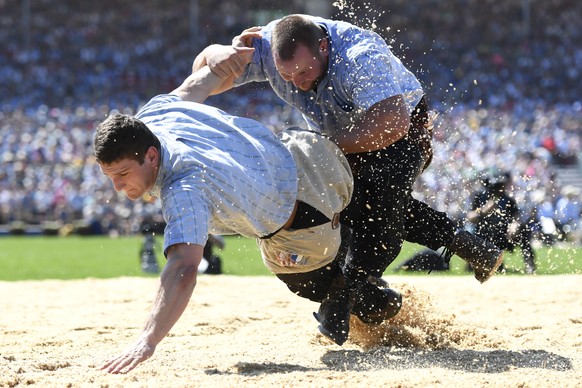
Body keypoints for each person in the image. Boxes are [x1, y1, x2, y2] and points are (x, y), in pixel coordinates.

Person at [193, 14, 504, 341]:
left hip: (402, 130)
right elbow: (204, 70)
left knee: (377, 203)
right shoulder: (267, 47)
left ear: (325, 47)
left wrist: (327, 149)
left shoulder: (359, 57)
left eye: (304, 72)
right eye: (287, 75)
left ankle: (342, 296)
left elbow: (391, 122)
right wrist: (218, 54)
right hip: (343, 135)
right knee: (352, 207)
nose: (297, 82)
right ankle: (468, 246)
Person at [96, 59, 401, 374]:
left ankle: (383, 304)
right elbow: (195, 86)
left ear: (151, 156)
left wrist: (148, 339)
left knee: (323, 290)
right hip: (305, 152)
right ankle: (439, 237)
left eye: (122, 174)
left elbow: (184, 268)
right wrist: (231, 57)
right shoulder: (152, 117)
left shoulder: (184, 186)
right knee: (378, 211)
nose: (117, 187)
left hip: (301, 224)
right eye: (110, 176)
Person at [467, 170, 536, 274]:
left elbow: (516, 217)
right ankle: (478, 263)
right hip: (484, 237)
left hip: (504, 236)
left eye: (502, 185)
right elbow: (470, 217)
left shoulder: (508, 199)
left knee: (524, 232)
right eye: (498, 186)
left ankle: (530, 265)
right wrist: (483, 211)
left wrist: (514, 225)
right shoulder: (480, 197)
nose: (501, 188)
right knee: (494, 269)